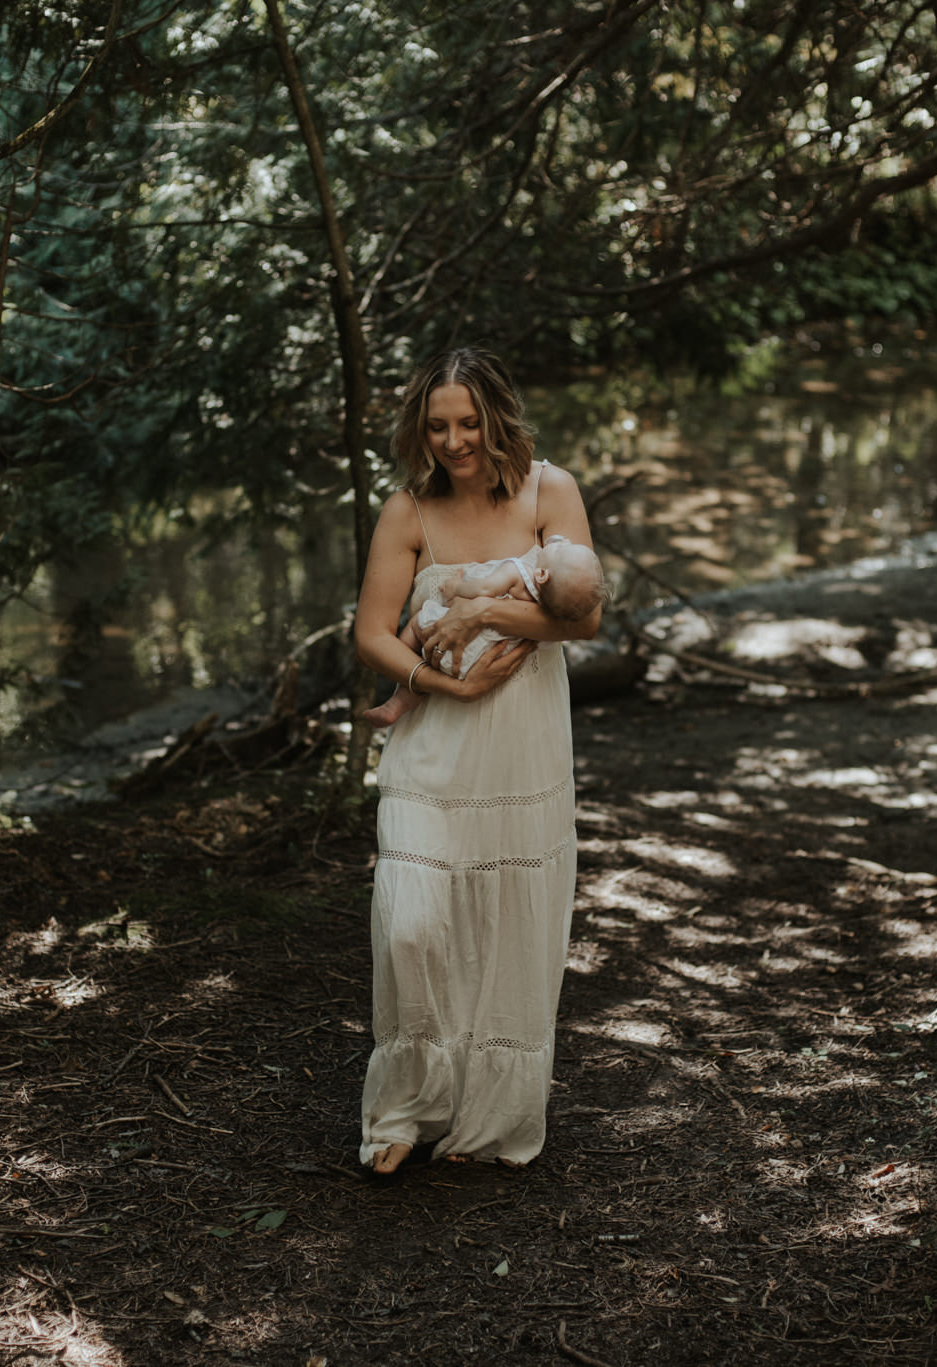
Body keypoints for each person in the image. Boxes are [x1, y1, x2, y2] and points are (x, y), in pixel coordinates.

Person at [351, 347, 601, 1175]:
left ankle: (489, 1116)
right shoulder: (408, 512)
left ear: (498, 416)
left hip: (523, 741)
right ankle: (403, 1108)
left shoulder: (549, 491)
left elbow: (581, 615)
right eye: (437, 425)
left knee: (509, 923)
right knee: (413, 927)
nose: (454, 441)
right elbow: (371, 633)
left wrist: (487, 608)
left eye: (467, 422)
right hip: (432, 744)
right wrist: (435, 684)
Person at [361, 535, 604, 728]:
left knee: (417, 623)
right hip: (483, 664)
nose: (565, 540)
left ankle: (401, 692)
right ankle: (403, 698)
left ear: (541, 574)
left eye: (561, 549)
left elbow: (484, 588)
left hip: (448, 646)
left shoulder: (517, 571)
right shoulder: (547, 610)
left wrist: (457, 586)